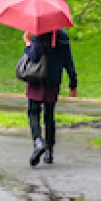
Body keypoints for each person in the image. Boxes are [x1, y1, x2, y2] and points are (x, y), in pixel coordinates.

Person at [22, 29, 77, 166]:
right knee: (49, 115)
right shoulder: (62, 36)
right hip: (53, 80)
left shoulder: (38, 34)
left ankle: (38, 142)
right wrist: (73, 82)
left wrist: (28, 43)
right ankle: (49, 151)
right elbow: (68, 60)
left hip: (37, 78)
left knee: (33, 112)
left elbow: (34, 56)